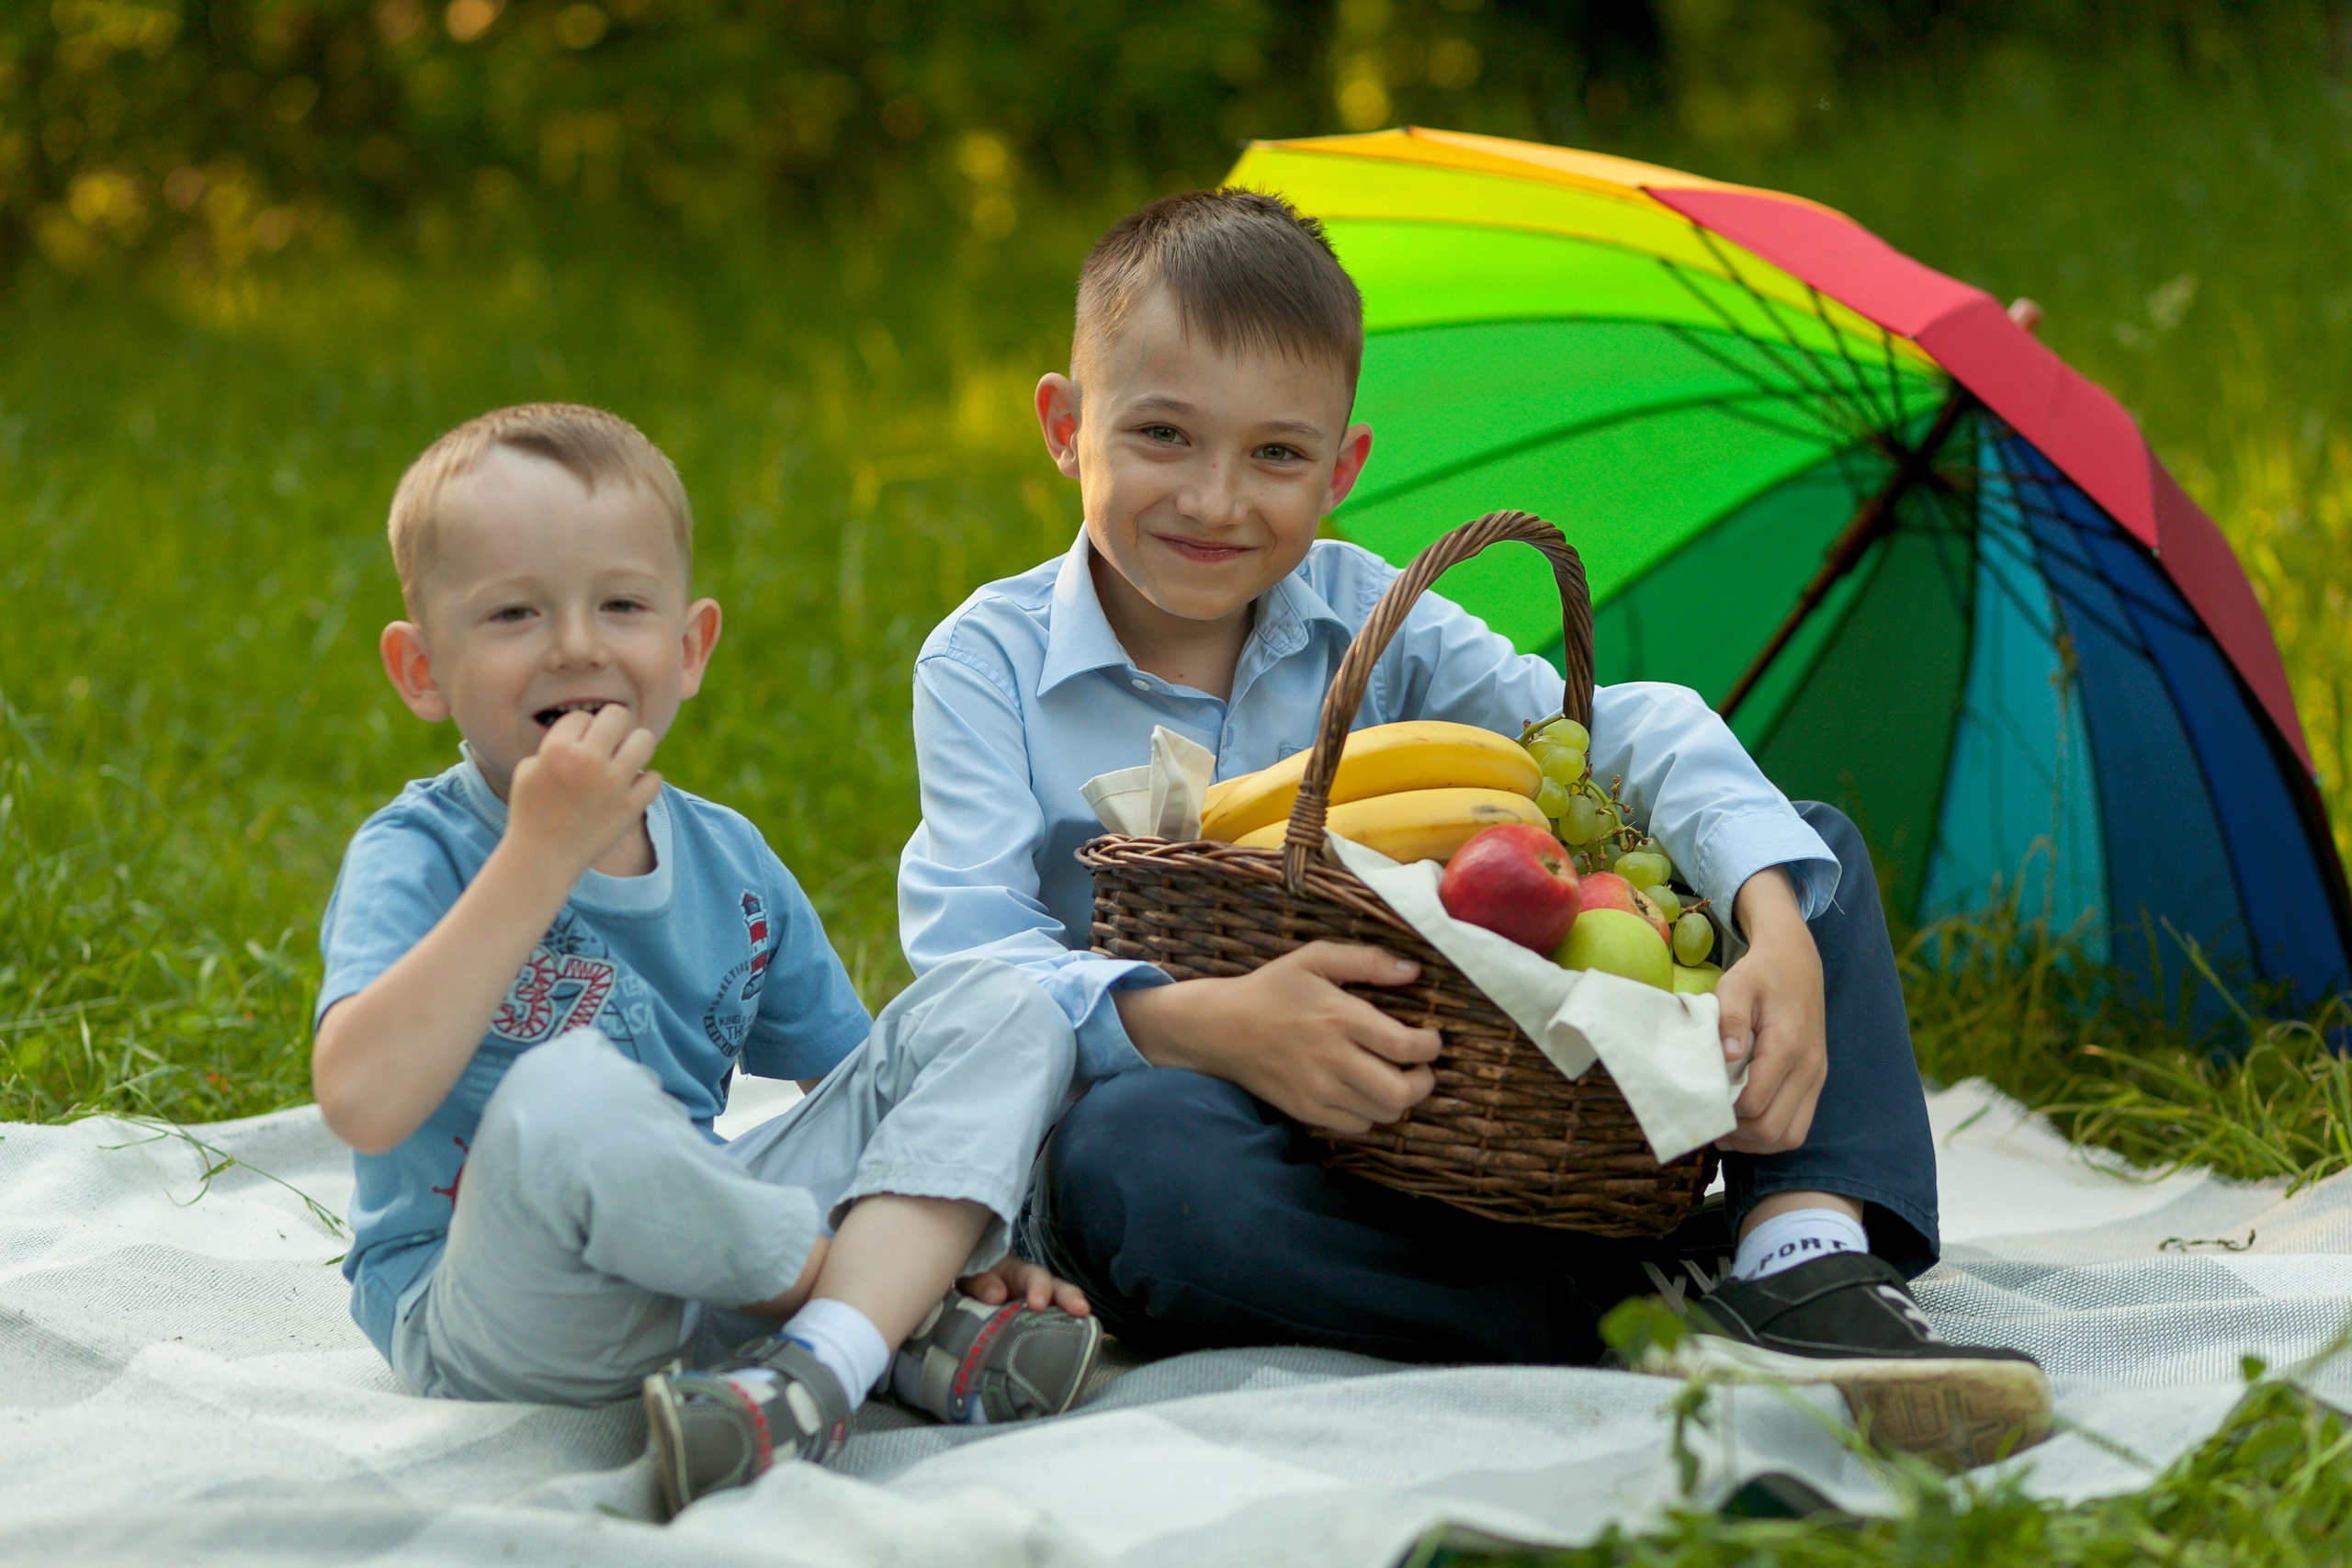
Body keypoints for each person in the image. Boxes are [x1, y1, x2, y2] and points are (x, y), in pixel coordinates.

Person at [897, 190, 2049, 1465]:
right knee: (1130, 1170)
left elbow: (1624, 729)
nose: (1217, 499)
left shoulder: (1372, 611)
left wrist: (1772, 924)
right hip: (1226, 1121)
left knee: (1790, 837)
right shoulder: (988, 661)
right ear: (1067, 426)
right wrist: (1198, 1023)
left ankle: (1804, 1248)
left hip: (1449, 1103)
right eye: (1163, 434)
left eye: (1278, 456)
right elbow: (965, 955)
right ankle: (1630, 1305)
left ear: (1342, 468)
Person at [311, 403, 1101, 1520]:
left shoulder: (728, 859)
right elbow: (361, 1100)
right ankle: (878, 1317)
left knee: (1006, 1004)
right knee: (565, 1093)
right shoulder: (420, 852)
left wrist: (968, 1220)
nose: (577, 643)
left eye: (621, 605)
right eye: (514, 611)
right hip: (497, 1298)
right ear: (421, 669)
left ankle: (812, 1371)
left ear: (688, 651)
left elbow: (869, 1091)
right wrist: (537, 857)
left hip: (709, 1259)